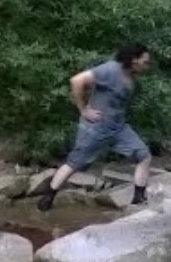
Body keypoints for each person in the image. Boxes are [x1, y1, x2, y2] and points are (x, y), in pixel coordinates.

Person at [37, 44, 153, 212]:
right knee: (74, 163)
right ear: (134, 59)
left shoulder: (130, 74)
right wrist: (83, 109)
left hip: (118, 128)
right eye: (145, 61)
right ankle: (47, 199)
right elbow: (76, 80)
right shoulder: (110, 70)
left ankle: (138, 201)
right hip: (96, 128)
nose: (147, 65)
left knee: (144, 156)